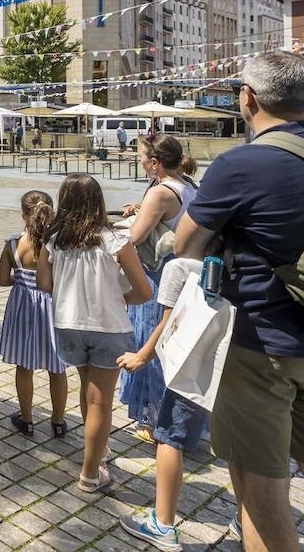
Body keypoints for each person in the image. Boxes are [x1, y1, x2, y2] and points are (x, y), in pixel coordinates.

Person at [173, 51, 304, 551]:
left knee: (262, 486)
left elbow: (184, 245)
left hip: (263, 347)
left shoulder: (242, 163)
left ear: (249, 98)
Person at [36, 173, 153, 493]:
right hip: (108, 326)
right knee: (100, 401)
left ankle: (97, 451)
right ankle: (90, 474)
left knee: (88, 391)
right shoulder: (116, 240)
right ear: (98, 202)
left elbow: (44, 284)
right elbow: (144, 292)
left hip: (68, 324)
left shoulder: (54, 240)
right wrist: (117, 297)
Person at [117, 251, 206, 550]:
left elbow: (169, 324)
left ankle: (163, 524)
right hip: (242, 359)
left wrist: (143, 355)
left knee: (168, 436)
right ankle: (246, 520)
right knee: (245, 449)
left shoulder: (177, 266)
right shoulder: (240, 259)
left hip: (192, 362)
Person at [118, 134, 198, 442]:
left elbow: (135, 238)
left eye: (140, 157)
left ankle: (154, 421)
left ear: (155, 164)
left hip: (158, 273)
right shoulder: (189, 185)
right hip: (183, 272)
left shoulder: (160, 192)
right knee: (174, 345)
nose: (138, 161)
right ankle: (180, 419)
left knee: (151, 342)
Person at [0, 190, 69, 438]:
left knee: (24, 365)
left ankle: (26, 419)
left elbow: (1, 280)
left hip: (23, 307)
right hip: (53, 308)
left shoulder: (13, 244)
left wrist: (20, 278)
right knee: (57, 368)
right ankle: (58, 422)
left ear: (22, 214)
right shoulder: (58, 244)